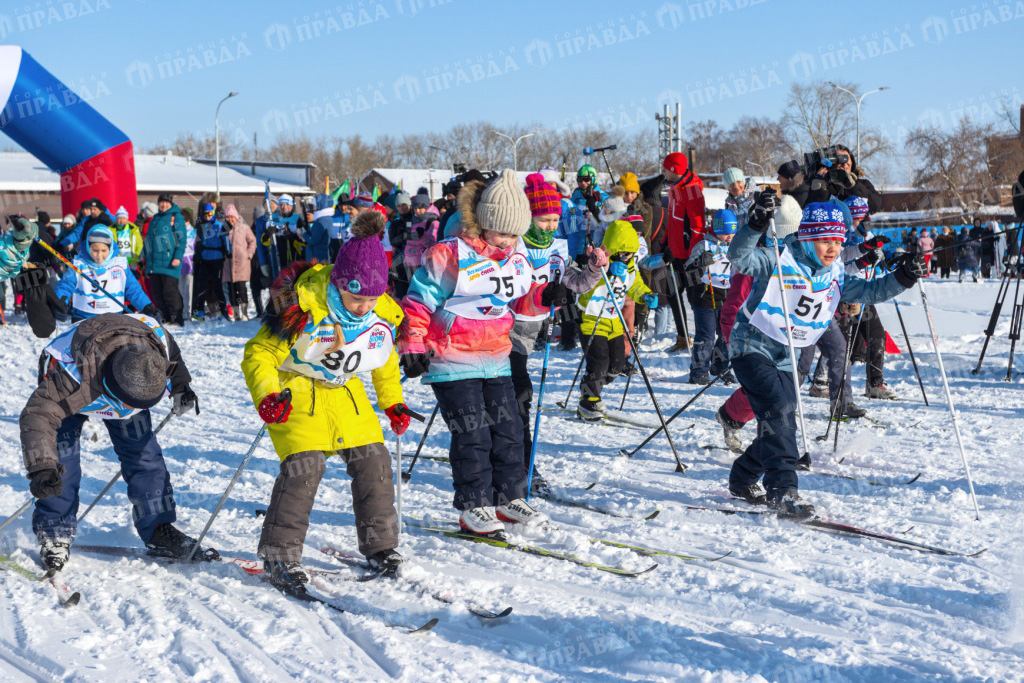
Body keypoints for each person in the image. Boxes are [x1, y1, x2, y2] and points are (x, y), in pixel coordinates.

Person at [725, 193, 924, 517]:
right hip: (751, 347)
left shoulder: (832, 272)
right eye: (824, 240)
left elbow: (868, 292)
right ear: (806, 236)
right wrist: (756, 223)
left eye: (837, 240)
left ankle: (743, 476)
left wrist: (903, 277)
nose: (832, 248)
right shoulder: (780, 257)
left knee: (781, 420)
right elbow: (740, 257)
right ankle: (784, 492)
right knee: (778, 413)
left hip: (787, 354)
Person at [241, 210, 408, 589]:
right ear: (337, 284)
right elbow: (259, 354)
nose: (364, 306)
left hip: (345, 393)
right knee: (305, 466)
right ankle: (279, 555)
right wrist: (267, 396)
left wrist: (392, 401)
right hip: (297, 391)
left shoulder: (379, 311)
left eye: (372, 298)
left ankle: (380, 546)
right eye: (355, 298)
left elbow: (383, 358)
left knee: (374, 460)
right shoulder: (303, 307)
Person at [399, 170, 545, 537]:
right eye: (502, 232)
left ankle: (509, 497)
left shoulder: (514, 257)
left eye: (515, 234)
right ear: (483, 223)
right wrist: (413, 345)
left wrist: (547, 296)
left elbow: (522, 300)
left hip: (495, 355)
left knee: (508, 428)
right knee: (473, 432)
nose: (509, 241)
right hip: (452, 356)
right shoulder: (449, 254)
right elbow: (417, 303)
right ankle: (474, 504)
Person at [20, 311, 205, 571]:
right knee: (61, 461)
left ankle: (158, 529)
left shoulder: (153, 342)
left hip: (126, 376)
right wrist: (41, 466)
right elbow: (38, 414)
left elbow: (171, 352)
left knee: (145, 455)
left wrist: (181, 385)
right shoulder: (68, 376)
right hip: (78, 386)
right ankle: (54, 532)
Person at [508, 174, 607, 493]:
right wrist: (542, 294)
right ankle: (523, 464)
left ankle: (516, 458)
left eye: (554, 219)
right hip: (499, 331)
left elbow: (573, 284)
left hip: (528, 333)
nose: (550, 225)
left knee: (516, 398)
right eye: (543, 219)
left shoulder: (557, 249)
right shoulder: (512, 245)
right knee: (520, 397)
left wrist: (592, 270)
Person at [716, 195, 802, 452]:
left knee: (776, 392)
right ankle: (768, 442)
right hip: (745, 329)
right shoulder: (759, 259)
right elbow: (735, 305)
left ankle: (732, 416)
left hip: (781, 331)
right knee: (766, 392)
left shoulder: (792, 258)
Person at [575, 219, 656, 421]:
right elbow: (584, 289)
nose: (627, 258)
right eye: (624, 253)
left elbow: (635, 286)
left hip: (614, 321)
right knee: (599, 362)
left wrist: (645, 295)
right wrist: (607, 272)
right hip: (592, 320)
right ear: (613, 249)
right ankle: (588, 400)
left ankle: (595, 387)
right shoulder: (596, 264)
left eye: (631, 254)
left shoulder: (629, 268)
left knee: (617, 365)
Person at [54, 225, 157, 322]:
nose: (99, 255)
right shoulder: (78, 264)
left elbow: (133, 289)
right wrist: (60, 302)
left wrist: (147, 306)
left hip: (113, 319)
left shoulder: (120, 265)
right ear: (87, 247)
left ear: (110, 248)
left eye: (104, 250)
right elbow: (65, 285)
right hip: (83, 318)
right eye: (95, 250)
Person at [684, 209, 736, 384]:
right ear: (718, 231)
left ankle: (720, 366)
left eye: (733, 233)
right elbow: (688, 273)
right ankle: (699, 370)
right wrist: (699, 264)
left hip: (728, 296)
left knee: (725, 335)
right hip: (705, 296)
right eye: (727, 234)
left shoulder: (735, 247)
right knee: (705, 336)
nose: (730, 237)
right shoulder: (704, 246)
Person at [663, 151, 705, 352]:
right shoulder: (675, 188)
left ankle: (703, 338)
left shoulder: (692, 189)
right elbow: (672, 221)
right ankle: (682, 337)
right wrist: (665, 244)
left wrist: (693, 255)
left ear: (673, 170)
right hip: (674, 251)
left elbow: (697, 226)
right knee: (671, 293)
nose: (663, 171)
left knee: (694, 298)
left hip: (688, 256)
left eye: (665, 168)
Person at [141, 193, 186, 326]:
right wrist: (143, 254)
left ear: (171, 204)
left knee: (170, 292)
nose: (164, 205)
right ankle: (164, 318)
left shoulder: (176, 217)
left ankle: (176, 319)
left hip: (169, 263)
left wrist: (177, 257)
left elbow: (181, 239)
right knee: (157, 293)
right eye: (162, 202)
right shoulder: (155, 218)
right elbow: (149, 240)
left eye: (167, 202)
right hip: (154, 264)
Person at [192, 203, 231, 320]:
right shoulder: (202, 226)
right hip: (205, 258)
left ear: (213, 213)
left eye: (210, 214)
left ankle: (223, 311)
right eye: (205, 214)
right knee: (202, 285)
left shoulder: (219, 226)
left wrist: (229, 251)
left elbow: (226, 240)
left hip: (217, 258)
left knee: (217, 286)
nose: (207, 216)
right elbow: (197, 242)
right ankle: (199, 310)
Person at [223, 205, 257, 321]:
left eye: (232, 217)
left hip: (241, 263)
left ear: (236, 217)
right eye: (227, 217)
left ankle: (244, 313)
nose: (230, 219)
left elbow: (252, 241)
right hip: (228, 264)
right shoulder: (223, 229)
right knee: (231, 290)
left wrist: (248, 254)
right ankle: (236, 313)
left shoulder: (244, 227)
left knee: (241, 288)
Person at [112, 206, 143, 279]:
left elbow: (139, 245)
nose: (121, 221)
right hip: (117, 262)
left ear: (127, 219)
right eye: (119, 218)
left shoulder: (134, 229)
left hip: (131, 261)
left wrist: (135, 260)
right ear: (116, 219)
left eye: (124, 218)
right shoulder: (111, 229)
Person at [178, 208, 197, 321]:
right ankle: (182, 311)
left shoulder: (193, 232)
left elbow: (196, 247)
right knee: (181, 290)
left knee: (189, 289)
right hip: (179, 264)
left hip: (190, 264)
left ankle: (188, 313)